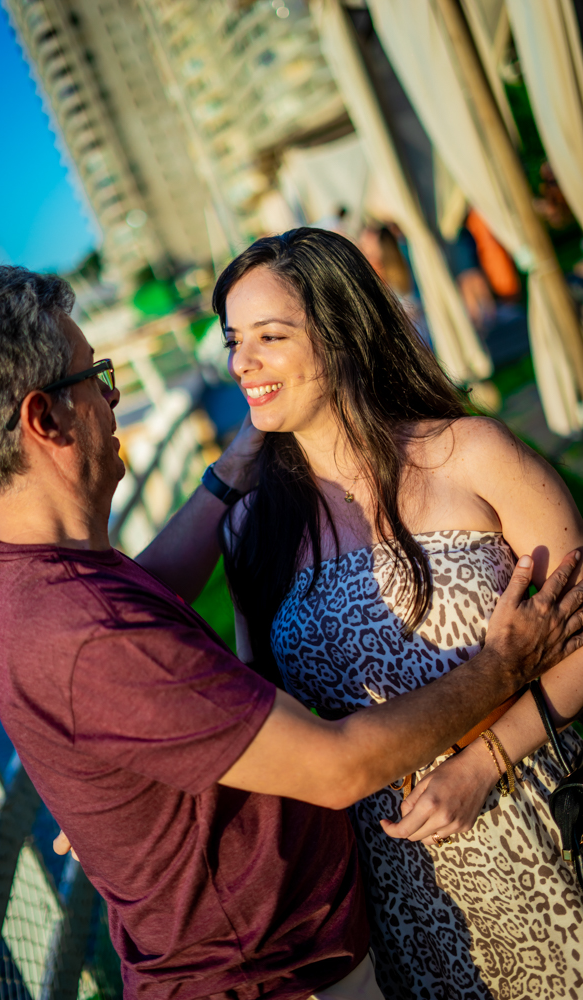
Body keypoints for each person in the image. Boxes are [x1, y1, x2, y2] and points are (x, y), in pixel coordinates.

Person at [0, 267, 581, 1000]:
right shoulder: (94, 623)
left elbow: (154, 588)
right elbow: (336, 767)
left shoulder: (38, 577)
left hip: (497, 857)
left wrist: (116, 801)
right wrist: (500, 665)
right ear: (44, 420)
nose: (112, 396)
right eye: (96, 378)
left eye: (268, 336)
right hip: (276, 972)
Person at [215, 228, 583, 1000]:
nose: (241, 363)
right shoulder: (253, 528)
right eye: (233, 340)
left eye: (269, 337)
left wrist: (486, 763)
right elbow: (257, 713)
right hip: (399, 883)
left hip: (547, 823)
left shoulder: (471, 454)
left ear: (343, 331)